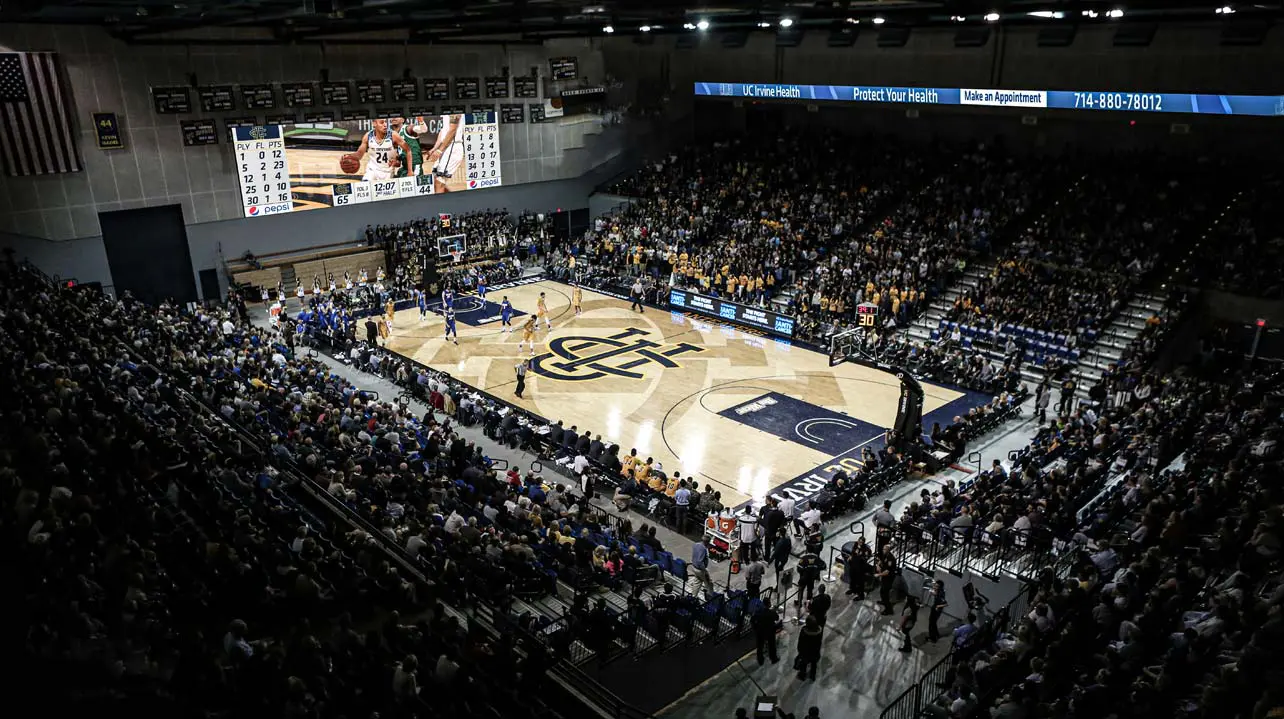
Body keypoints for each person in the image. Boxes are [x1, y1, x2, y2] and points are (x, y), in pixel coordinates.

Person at [795, 615, 823, 681]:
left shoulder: (804, 631)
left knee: (803, 664)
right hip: (815, 652)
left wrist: (800, 651)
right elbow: (819, 643)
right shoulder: (819, 632)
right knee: (814, 664)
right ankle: (812, 676)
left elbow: (800, 642)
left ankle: (802, 676)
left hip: (805, 653)